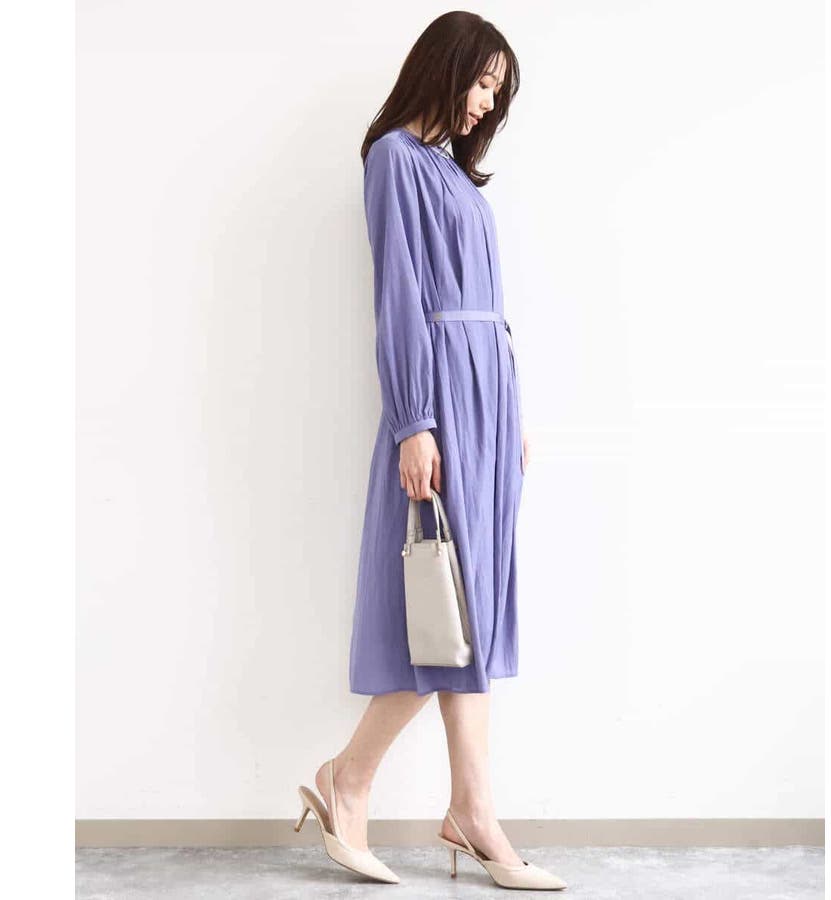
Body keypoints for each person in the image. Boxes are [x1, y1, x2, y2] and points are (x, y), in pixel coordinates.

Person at [296, 11, 565, 891]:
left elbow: (489, 303)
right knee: (443, 609)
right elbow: (400, 297)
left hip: (488, 400)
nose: (486, 103)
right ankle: (352, 778)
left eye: (497, 91)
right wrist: (414, 420)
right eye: (481, 81)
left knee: (472, 613)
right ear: (442, 67)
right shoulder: (394, 160)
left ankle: (470, 809)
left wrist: (509, 408)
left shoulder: (452, 173)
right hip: (441, 401)